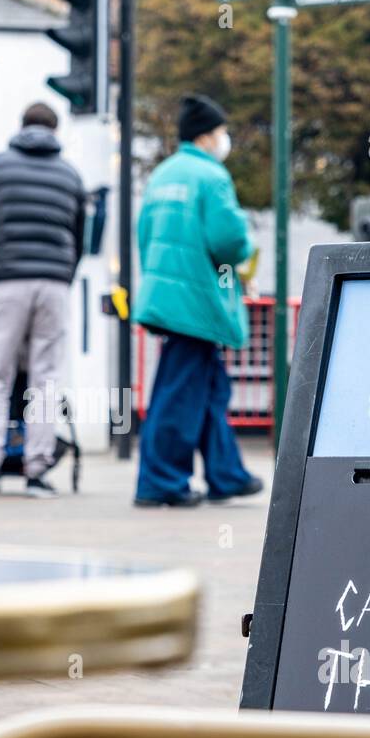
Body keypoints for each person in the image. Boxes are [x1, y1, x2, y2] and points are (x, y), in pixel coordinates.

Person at [132, 94, 264, 508]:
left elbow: (144, 235)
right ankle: (160, 482)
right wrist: (247, 244)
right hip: (197, 298)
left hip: (168, 293)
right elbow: (228, 241)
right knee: (181, 393)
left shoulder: (162, 175)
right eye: (224, 132)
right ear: (208, 135)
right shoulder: (211, 176)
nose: (226, 140)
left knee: (207, 388)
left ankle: (227, 475)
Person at [0, 102, 86, 499]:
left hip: (5, 281)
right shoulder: (70, 175)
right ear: (55, 130)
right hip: (53, 285)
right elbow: (80, 238)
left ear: (22, 125)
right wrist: (62, 273)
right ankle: (37, 473)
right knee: (45, 379)